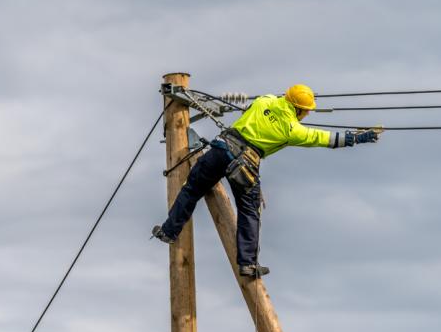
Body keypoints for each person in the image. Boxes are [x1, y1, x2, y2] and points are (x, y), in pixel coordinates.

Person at [152, 84, 381, 278]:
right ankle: (248, 263)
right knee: (250, 211)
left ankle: (168, 231)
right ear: (299, 109)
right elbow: (325, 138)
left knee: (192, 189)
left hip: (221, 147)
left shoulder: (266, 100)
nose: (308, 114)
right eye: (306, 111)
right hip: (244, 162)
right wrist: (357, 138)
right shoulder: (292, 130)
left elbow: (254, 106)